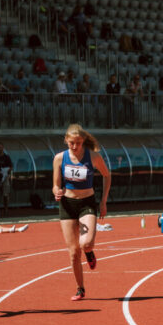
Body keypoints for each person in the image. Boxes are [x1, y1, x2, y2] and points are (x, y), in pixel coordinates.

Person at [52, 124, 111, 301]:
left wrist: (103, 201)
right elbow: (56, 184)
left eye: (78, 143)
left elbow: (107, 175)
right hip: (67, 204)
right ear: (66, 141)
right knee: (73, 252)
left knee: (86, 243)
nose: (75, 146)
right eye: (71, 143)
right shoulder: (59, 158)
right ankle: (80, 288)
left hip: (87, 203)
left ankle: (90, 252)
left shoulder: (93, 156)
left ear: (83, 141)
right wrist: (56, 191)